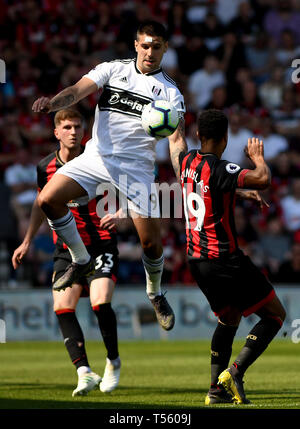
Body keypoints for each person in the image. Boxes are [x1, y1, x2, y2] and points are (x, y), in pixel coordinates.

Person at [31, 20, 187, 331]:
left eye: (157, 46)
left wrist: (184, 175)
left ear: (165, 48)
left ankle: (155, 292)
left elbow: (177, 140)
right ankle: (80, 258)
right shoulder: (113, 70)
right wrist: (53, 104)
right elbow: (77, 90)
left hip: (136, 169)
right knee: (47, 199)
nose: (150, 52)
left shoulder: (170, 93)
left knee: (152, 245)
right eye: (145, 45)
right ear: (136, 45)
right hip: (96, 157)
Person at [179, 109, 286, 405]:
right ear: (226, 139)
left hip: (196, 262)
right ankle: (235, 372)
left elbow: (204, 189)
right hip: (224, 259)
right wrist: (258, 157)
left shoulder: (187, 162)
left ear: (198, 135)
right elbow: (262, 179)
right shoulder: (222, 168)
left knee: (229, 319)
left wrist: (240, 193)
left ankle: (215, 390)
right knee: (276, 315)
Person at [12, 109, 121, 397]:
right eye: (67, 127)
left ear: (84, 131)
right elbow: (40, 203)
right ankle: (84, 371)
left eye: (77, 127)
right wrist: (27, 241)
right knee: (62, 307)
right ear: (56, 132)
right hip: (67, 250)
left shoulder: (99, 159)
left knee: (100, 303)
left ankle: (113, 361)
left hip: (100, 243)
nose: (73, 131)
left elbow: (130, 187)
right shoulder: (45, 167)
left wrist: (121, 213)